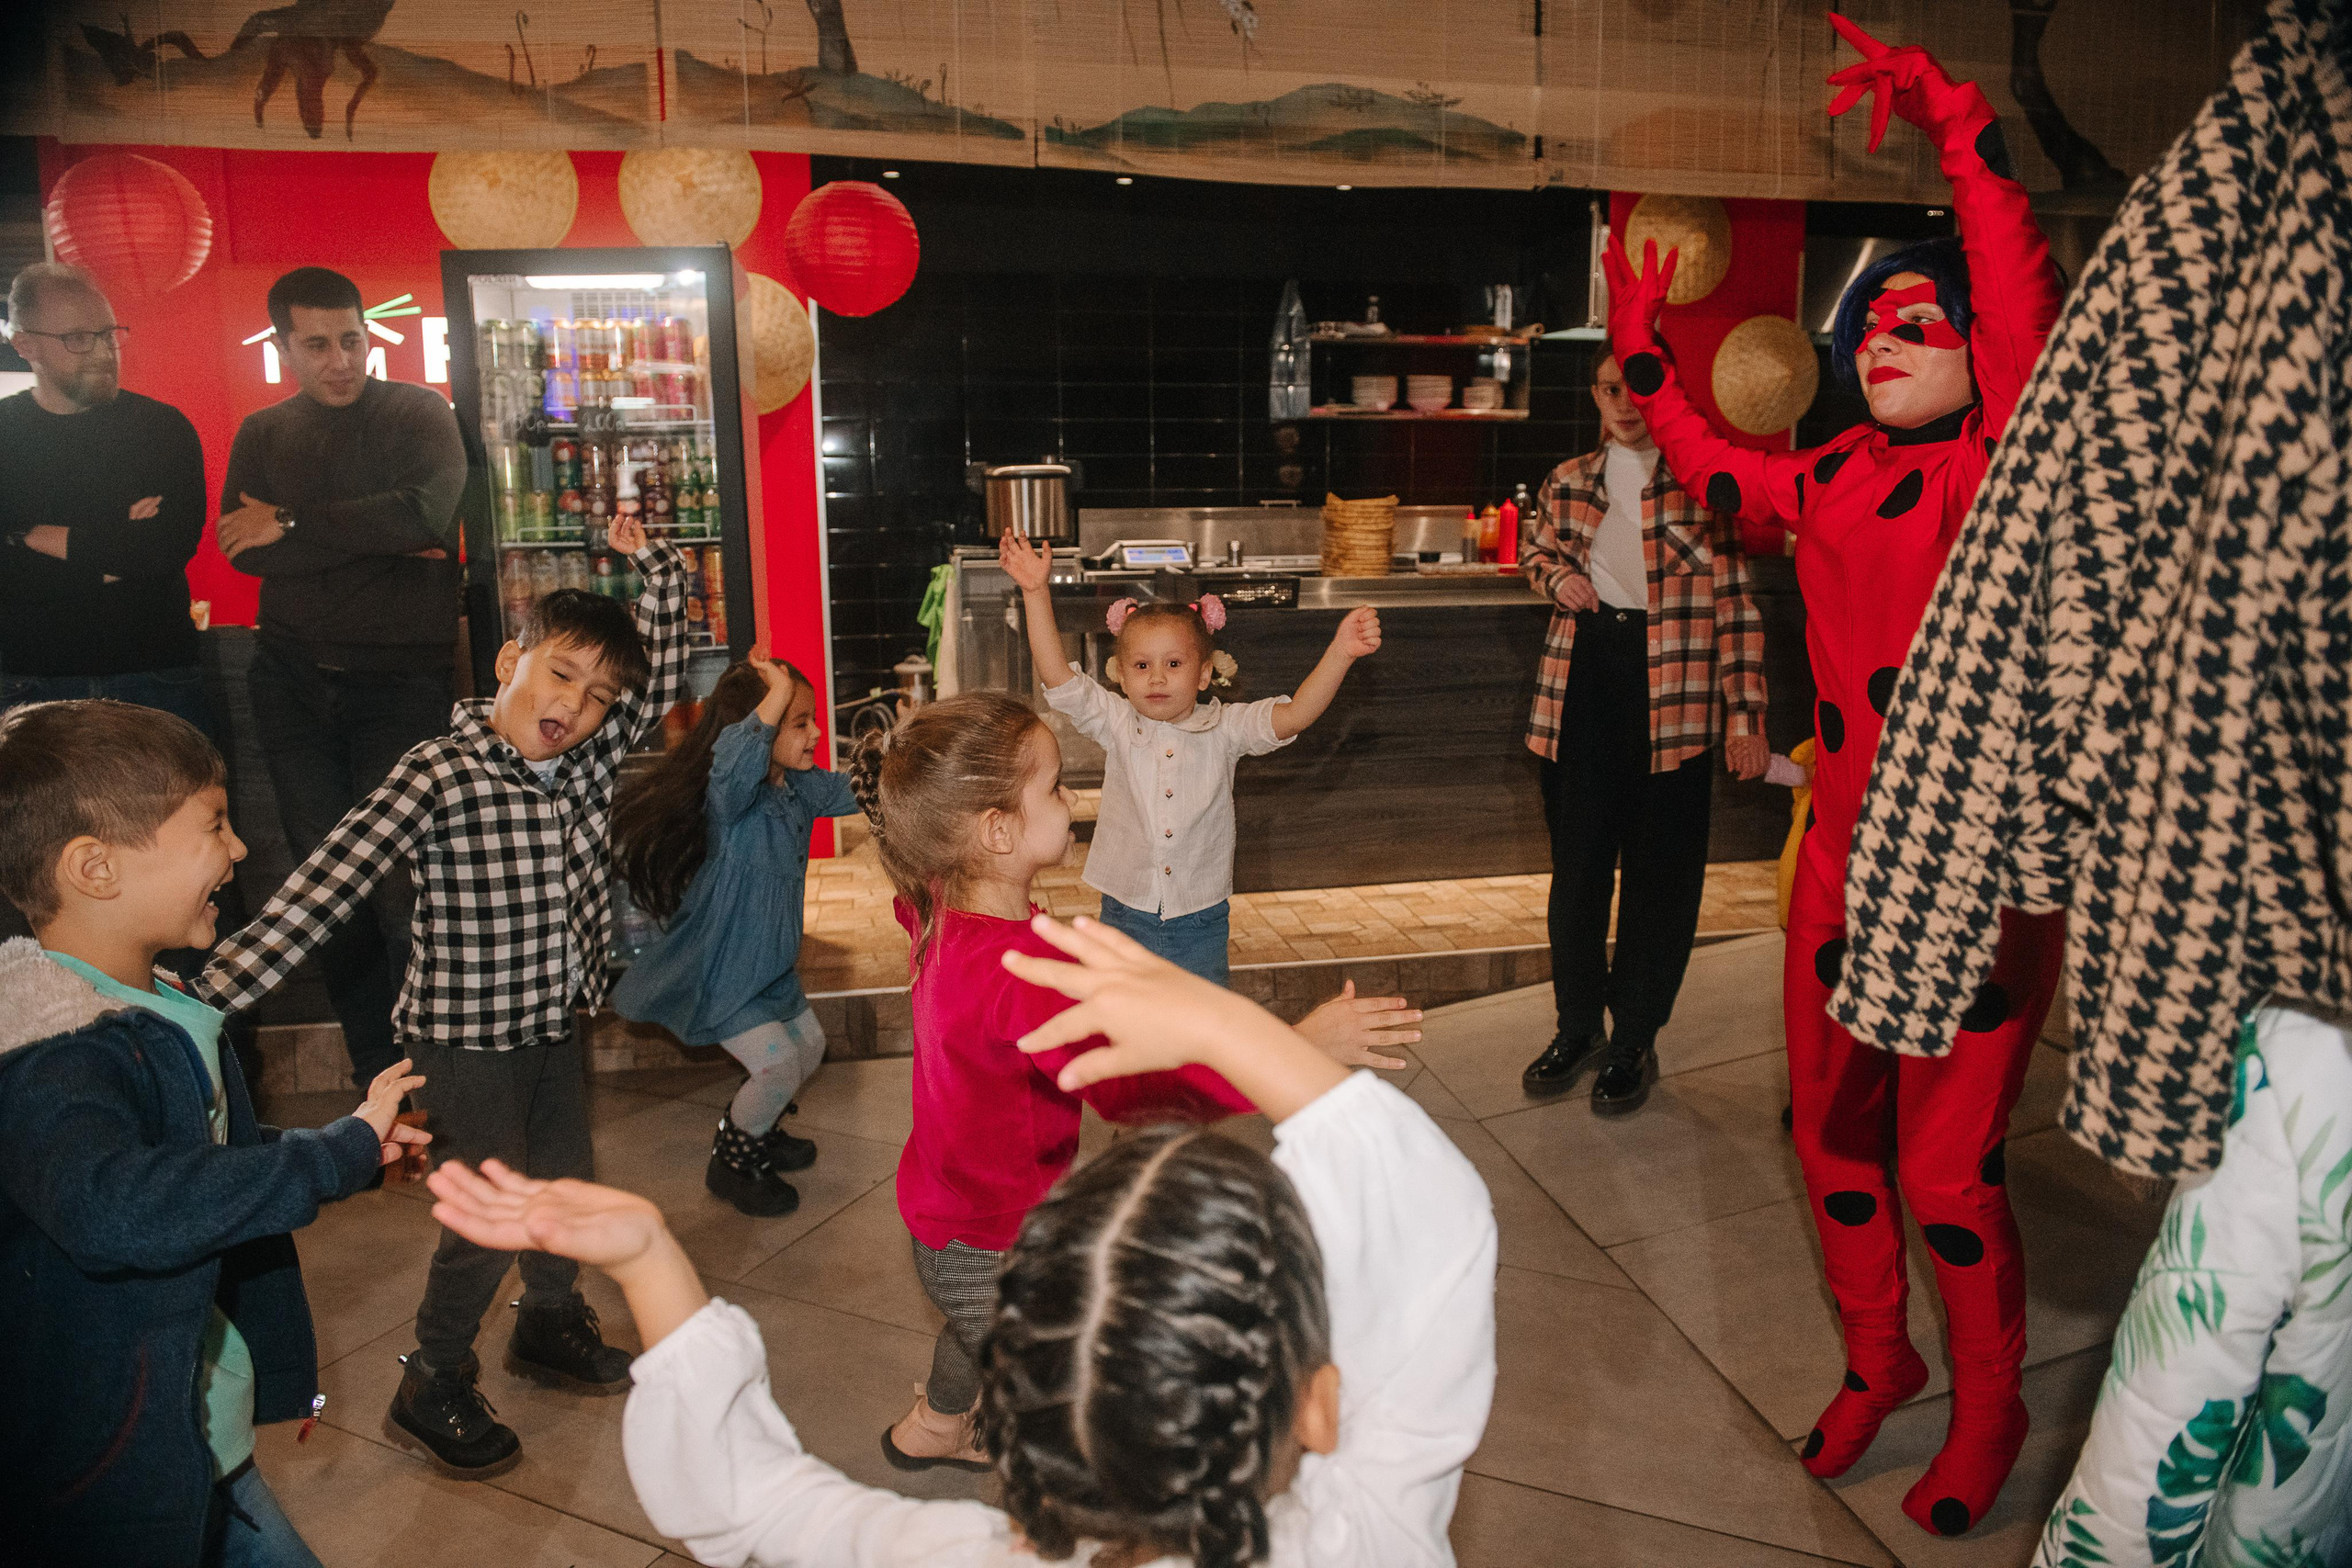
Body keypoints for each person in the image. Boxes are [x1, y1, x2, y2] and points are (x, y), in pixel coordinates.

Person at [1602, 13, 2068, 1538]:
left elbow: (2014, 306)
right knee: (1827, 1133)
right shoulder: (1831, 475)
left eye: (1920, 327)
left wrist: (1961, 143)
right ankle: (1882, 1358)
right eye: (1877, 323)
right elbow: (1698, 451)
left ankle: (1989, 1404)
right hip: (1841, 855)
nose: (1891, 335)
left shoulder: (1998, 464)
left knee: (1946, 1163)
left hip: (1981, 867)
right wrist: (1640, 344)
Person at [422, 908, 1498, 1568]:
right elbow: (1437, 1228)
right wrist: (1232, 1027)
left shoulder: (933, 1552)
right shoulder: (1370, 1541)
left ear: (1015, 1420)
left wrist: (653, 1261)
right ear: (1316, 1403)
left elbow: (748, 1497)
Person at [196, 514, 688, 1480]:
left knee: (561, 1181)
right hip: (465, 1039)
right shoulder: (436, 772)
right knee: (489, 1207)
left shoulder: (586, 761)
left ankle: (548, 1321)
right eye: (557, 675)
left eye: (595, 697)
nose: (574, 706)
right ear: (508, 659)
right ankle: (433, 1373)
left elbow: (662, 671)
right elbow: (331, 881)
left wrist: (657, 566)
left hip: (552, 1020)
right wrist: (214, 992)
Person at [845, 693, 1421, 1471]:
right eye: (1053, 787)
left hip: (947, 1211)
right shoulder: (1023, 972)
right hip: (988, 1233)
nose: (1074, 797)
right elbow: (1138, 1093)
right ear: (997, 830)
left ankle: (937, 1425)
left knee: (976, 1330)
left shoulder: (942, 906)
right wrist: (1293, 1047)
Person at [0, 699, 428, 1567]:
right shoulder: (54, 1056)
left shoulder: (154, 1004)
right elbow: (117, 1205)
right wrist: (325, 1158)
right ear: (96, 867)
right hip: (109, 1475)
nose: (237, 851)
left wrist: (343, 1147)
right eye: (214, 825)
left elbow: (194, 1161)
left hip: (191, 1436)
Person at [218, 265, 468, 1089]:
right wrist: (380, 530)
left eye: (352, 339)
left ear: (370, 334)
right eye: (317, 343)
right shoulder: (262, 432)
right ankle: (379, 1081)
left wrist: (292, 522)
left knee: (407, 890)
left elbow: (428, 515)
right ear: (284, 346)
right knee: (328, 892)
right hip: (291, 682)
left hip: (402, 684)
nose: (340, 358)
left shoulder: (419, 412)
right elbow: (240, 547)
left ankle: (434, 1073)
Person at [1516, 353, 1770, 1114]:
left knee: (1662, 881)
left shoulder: (1704, 482)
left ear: (1665, 395)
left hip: (1679, 694)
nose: (1624, 404)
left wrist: (1746, 716)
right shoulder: (1568, 478)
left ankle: (1634, 1039)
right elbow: (1537, 552)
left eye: (1637, 388)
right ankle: (1575, 1028)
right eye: (1608, 389)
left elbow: (1737, 606)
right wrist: (1555, 578)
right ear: (1595, 395)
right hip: (1585, 682)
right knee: (1580, 873)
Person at [1001, 536, 1382, 984]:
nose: (1157, 676)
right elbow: (1057, 674)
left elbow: (1296, 713)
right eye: (1141, 666)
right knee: (1128, 1028)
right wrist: (1034, 591)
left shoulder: (1227, 728)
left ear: (1204, 674)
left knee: (1200, 1029)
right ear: (1121, 675)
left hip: (1199, 918)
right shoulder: (1117, 722)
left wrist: (1340, 653)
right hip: (1125, 909)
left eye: (1175, 664)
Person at [609, 649, 863, 1218]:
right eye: (800, 723)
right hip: (726, 970)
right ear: (763, 725)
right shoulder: (734, 796)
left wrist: (902, 773)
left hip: (770, 966)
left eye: (812, 719)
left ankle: (758, 1125)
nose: (816, 733)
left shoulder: (796, 787)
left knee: (811, 1049)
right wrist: (773, 698)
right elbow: (737, 756)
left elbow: (852, 793)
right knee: (777, 1066)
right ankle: (733, 1162)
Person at [0, 264, 209, 726]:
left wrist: (30, 535)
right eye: (78, 337)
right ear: (25, 345)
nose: (101, 351)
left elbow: (163, 553)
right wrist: (112, 549)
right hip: (30, 682)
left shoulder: (161, 427)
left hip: (156, 671)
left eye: (108, 333)